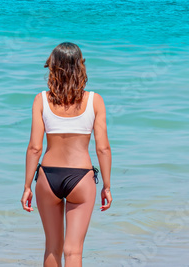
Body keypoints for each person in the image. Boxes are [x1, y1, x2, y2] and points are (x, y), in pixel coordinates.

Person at [22, 42, 112, 267]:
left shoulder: (41, 100)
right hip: (81, 177)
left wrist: (26, 187)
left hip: (48, 177)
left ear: (53, 67)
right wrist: (107, 186)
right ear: (80, 66)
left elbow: (35, 147)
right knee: (73, 252)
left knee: (52, 247)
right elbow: (103, 148)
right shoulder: (94, 100)